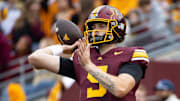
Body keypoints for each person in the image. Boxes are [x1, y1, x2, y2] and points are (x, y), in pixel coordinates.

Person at [29, 5, 149, 101]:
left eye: (101, 26)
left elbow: (120, 89)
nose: (95, 31)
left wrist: (88, 66)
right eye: (93, 27)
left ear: (117, 28)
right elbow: (35, 58)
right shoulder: (82, 57)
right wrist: (62, 48)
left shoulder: (131, 54)